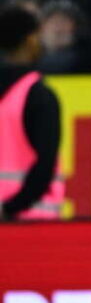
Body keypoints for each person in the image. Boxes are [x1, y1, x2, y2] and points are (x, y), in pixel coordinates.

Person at [0, 4, 63, 221]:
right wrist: (10, 208)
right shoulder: (38, 95)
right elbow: (45, 163)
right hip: (31, 219)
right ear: (30, 40)